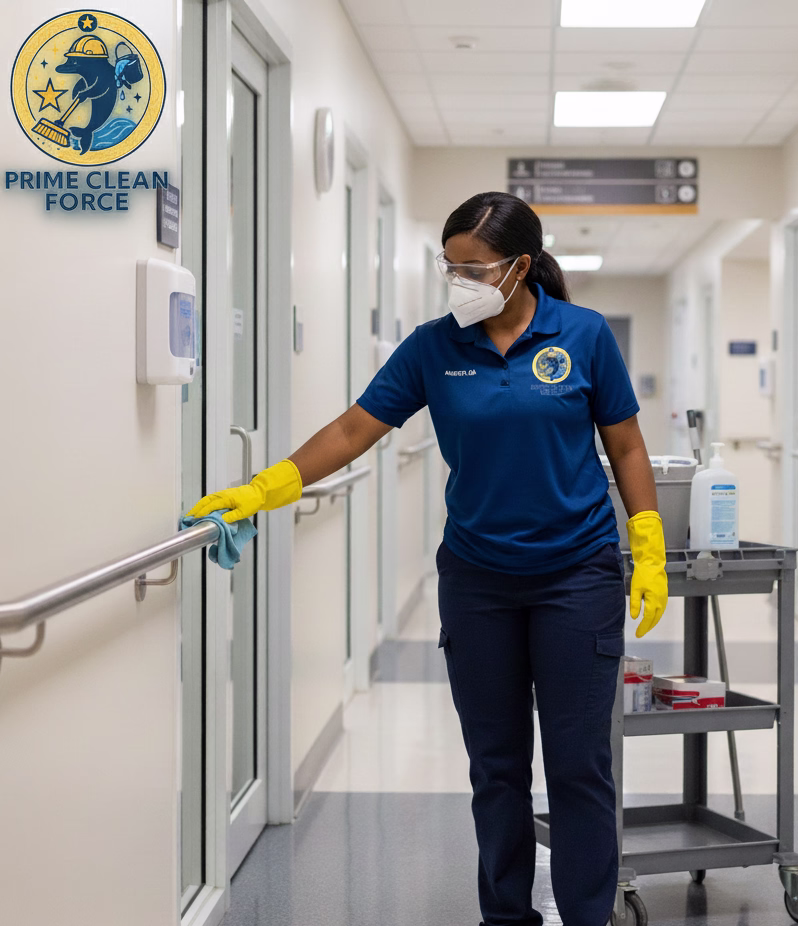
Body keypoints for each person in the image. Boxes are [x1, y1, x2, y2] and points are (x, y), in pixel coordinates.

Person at [187, 191, 669, 926]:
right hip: (478, 581)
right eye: (451, 267)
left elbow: (625, 443)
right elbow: (354, 428)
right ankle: (507, 916)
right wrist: (265, 486)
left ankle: (587, 917)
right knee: (496, 770)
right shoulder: (434, 347)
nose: (459, 281)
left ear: (520, 267)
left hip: (576, 576)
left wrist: (649, 541)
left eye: (473, 268)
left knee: (579, 769)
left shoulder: (585, 335)